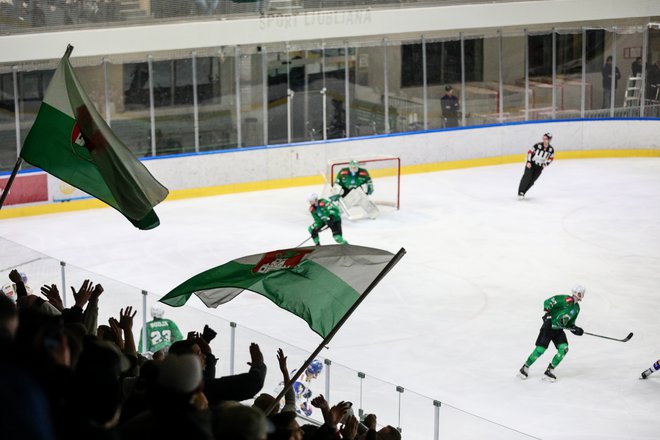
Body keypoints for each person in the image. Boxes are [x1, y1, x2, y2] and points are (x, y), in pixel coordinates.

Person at [519, 285, 585, 381]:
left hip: (558, 330)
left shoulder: (576, 308)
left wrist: (575, 329)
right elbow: (548, 302)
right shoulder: (564, 299)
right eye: (580, 293)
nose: (581, 295)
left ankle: (550, 370)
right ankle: (524, 368)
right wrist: (548, 314)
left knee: (564, 349)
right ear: (575, 292)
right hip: (548, 327)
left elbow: (569, 324)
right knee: (540, 350)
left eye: (582, 294)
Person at [517, 132, 555, 200]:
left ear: (549, 140)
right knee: (527, 177)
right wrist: (528, 161)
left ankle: (523, 192)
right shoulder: (538, 145)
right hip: (531, 164)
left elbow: (551, 158)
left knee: (532, 181)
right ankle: (520, 192)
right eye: (543, 138)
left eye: (546, 139)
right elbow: (529, 152)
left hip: (539, 167)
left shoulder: (551, 149)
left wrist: (546, 164)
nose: (544, 140)